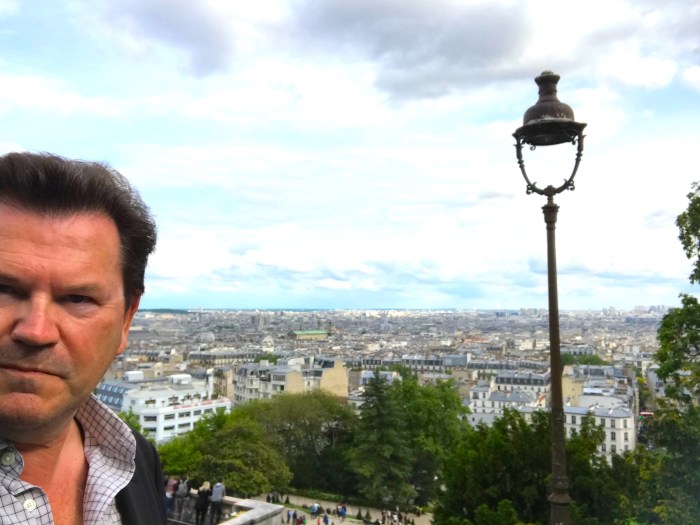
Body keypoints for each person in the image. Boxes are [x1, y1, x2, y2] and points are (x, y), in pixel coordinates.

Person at [0, 152, 164, 524]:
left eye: (77, 299)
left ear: (126, 320)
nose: (36, 331)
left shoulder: (140, 461)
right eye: (3, 289)